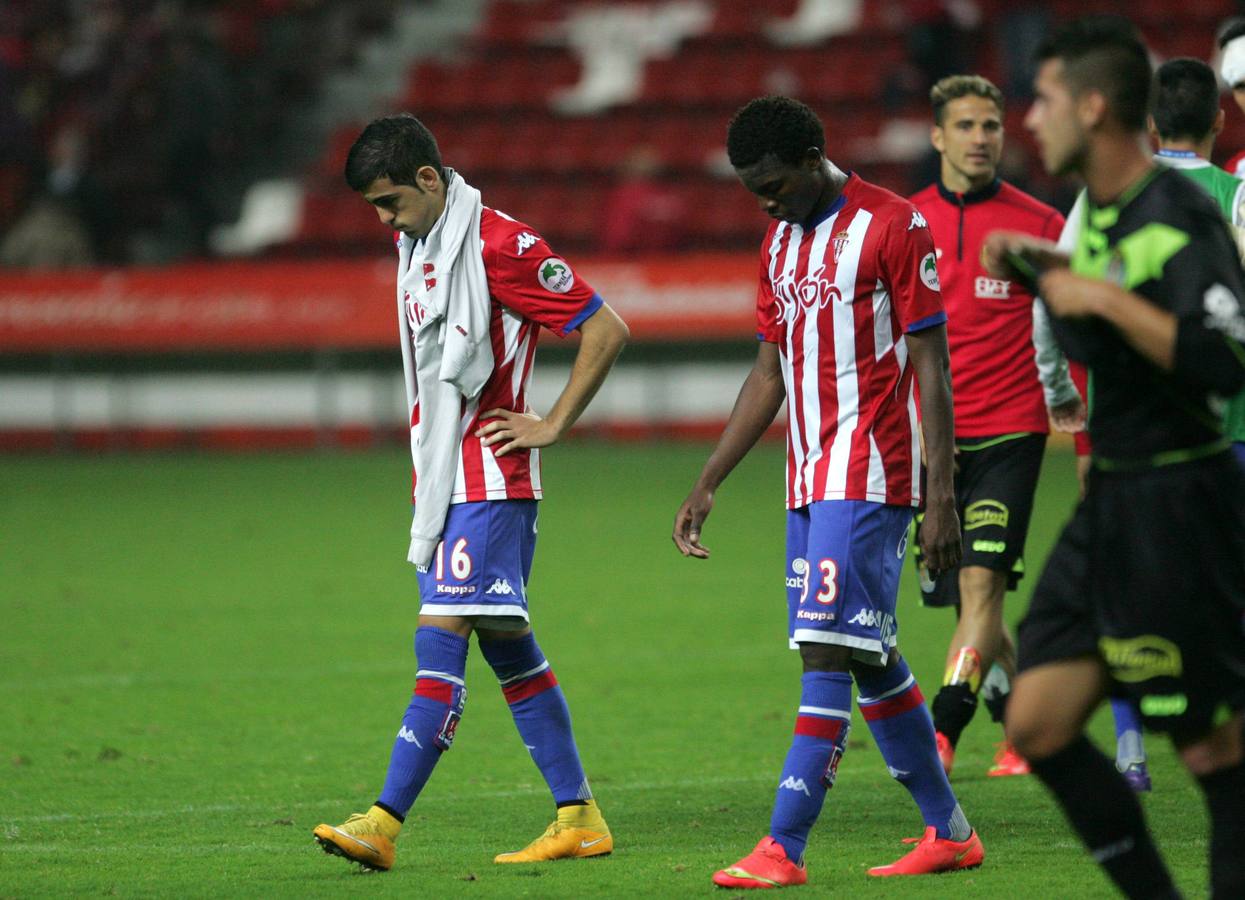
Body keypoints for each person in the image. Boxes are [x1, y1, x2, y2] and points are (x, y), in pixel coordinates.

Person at [672, 95, 983, 890]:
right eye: (751, 190)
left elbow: (931, 368)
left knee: (825, 652)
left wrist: (939, 493)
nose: (764, 201)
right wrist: (710, 479)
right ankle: (948, 832)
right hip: (806, 479)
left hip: (871, 471)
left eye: (773, 183)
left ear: (814, 157)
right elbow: (768, 373)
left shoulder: (890, 226)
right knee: (870, 653)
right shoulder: (778, 241)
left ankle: (783, 846)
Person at [312, 113, 629, 872]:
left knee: (440, 639)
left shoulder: (499, 246)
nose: (384, 220)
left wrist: (551, 422)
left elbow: (605, 328)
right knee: (510, 650)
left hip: (492, 480)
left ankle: (383, 822)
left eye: (389, 201)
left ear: (429, 179)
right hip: (445, 483)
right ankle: (579, 816)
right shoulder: (422, 243)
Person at [985, 17, 1245, 899]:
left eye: (1046, 99)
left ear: (1093, 107)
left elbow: (1221, 357)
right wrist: (1041, 270)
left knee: (1210, 750)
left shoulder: (1180, 217)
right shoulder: (1093, 214)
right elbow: (1102, 312)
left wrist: (1091, 293)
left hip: (1181, 503)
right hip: (1111, 502)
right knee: (1038, 724)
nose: (1029, 119)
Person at [907, 74, 1068, 780]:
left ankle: (940, 734)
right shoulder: (903, 224)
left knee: (978, 587)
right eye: (965, 126)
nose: (980, 138)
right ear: (938, 135)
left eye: (990, 126)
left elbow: (1074, 322)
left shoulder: (1040, 225)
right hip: (928, 445)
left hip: (1011, 428)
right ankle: (1030, 725)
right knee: (972, 601)